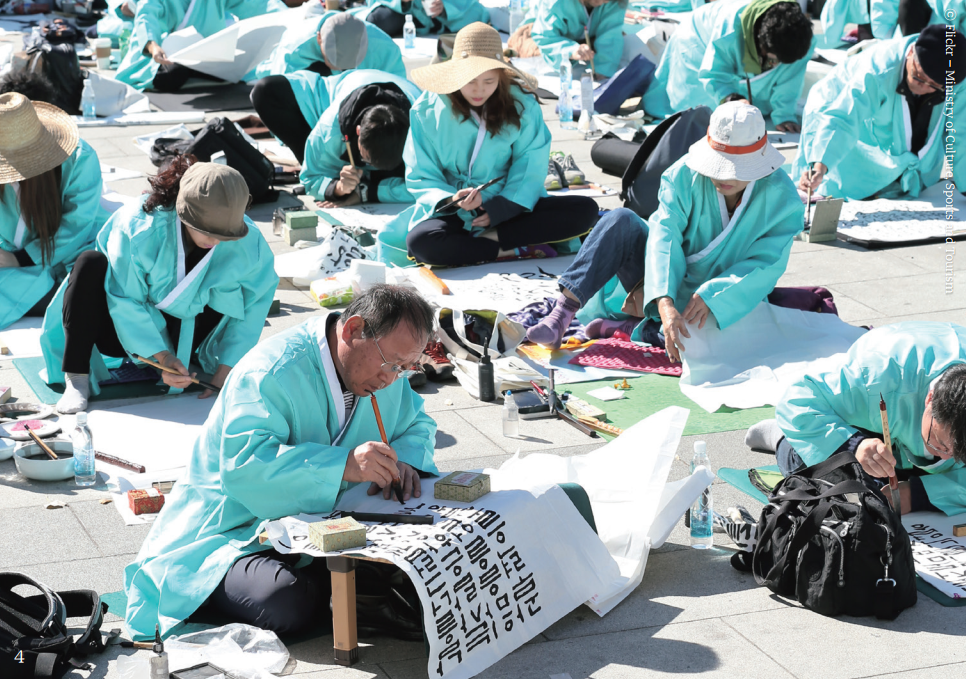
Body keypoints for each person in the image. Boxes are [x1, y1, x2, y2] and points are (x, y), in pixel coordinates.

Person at [123, 285, 439, 638]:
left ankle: (353, 589)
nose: (391, 378)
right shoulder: (269, 372)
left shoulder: (382, 369)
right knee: (284, 600)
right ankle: (354, 592)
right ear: (353, 330)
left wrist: (407, 462)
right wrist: (343, 465)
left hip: (313, 525)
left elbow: (417, 424)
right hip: (232, 530)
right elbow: (245, 469)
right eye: (390, 364)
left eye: (405, 368)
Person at [526, 102, 803, 356]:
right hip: (659, 280)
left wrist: (714, 295)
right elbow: (664, 236)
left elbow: (766, 264)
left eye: (736, 169)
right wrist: (664, 299)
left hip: (724, 296)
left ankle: (625, 329)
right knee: (619, 219)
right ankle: (561, 314)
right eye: (717, 166)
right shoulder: (683, 173)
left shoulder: (782, 198)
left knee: (709, 350)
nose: (723, 176)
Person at [40, 159, 278, 414]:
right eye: (207, 231)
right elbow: (124, 299)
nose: (216, 240)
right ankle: (76, 378)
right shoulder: (137, 225)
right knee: (89, 263)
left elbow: (255, 302)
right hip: (119, 327)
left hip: (189, 330)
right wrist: (163, 357)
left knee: (238, 294)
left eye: (224, 234)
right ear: (183, 210)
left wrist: (226, 369)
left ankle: (189, 360)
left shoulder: (247, 238)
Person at [377, 23, 600, 267]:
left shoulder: (521, 105)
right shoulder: (427, 110)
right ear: (456, 74)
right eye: (471, 80)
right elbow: (421, 174)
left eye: (489, 81)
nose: (479, 90)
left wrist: (500, 209)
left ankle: (487, 242)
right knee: (421, 242)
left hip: (509, 206)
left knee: (585, 209)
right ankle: (505, 248)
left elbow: (530, 164)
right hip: (453, 210)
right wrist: (452, 199)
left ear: (501, 75)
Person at [745, 323, 966, 516]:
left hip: (906, 428)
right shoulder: (877, 374)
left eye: (956, 455)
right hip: (866, 412)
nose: (945, 456)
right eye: (939, 442)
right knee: (844, 488)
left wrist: (917, 495)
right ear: (930, 398)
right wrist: (855, 444)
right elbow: (796, 401)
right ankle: (782, 439)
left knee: (882, 496)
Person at [795, 26, 966, 200]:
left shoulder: (956, 78)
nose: (925, 88)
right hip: (836, 104)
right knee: (834, 183)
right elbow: (844, 119)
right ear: (911, 53)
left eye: (935, 86)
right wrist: (820, 166)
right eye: (919, 77)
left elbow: (960, 132)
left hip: (882, 110)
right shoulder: (878, 69)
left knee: (903, 164)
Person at [0, 92, 108, 330]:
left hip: (71, 253)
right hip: (15, 257)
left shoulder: (79, 158)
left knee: (82, 295)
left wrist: (20, 258)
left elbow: (77, 227)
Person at [641, 0, 814, 133]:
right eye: (773, 60)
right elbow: (714, 74)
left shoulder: (801, 38)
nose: (776, 66)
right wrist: (732, 98)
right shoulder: (729, 30)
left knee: (748, 112)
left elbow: (791, 79)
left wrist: (784, 116)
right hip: (697, 38)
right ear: (761, 42)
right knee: (698, 112)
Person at [301, 69, 422, 206]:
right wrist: (338, 188)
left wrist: (367, 192)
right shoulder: (327, 133)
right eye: (367, 160)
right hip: (345, 83)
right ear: (358, 131)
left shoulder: (425, 128)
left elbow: (436, 185)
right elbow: (309, 179)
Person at [115, 0, 288, 91]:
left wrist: (288, 15)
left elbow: (254, 3)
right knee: (173, 74)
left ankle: (199, 72)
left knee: (232, 66)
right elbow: (146, 15)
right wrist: (152, 46)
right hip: (166, 52)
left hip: (208, 51)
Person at [251, 10, 404, 82]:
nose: (341, 71)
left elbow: (401, 89)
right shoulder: (293, 48)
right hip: (296, 73)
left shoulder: (384, 47)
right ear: (319, 39)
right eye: (336, 65)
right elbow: (277, 94)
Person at [518, 0, 628, 79]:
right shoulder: (556, 2)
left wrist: (602, 70)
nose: (601, 2)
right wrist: (571, 50)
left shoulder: (615, 2)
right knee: (531, 52)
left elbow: (611, 34)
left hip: (586, 38)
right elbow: (544, 35)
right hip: (540, 36)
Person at [352, 0, 489, 38]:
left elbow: (476, 9)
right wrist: (402, 2)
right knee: (377, 20)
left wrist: (444, 8)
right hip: (402, 11)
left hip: (438, 14)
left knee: (474, 18)